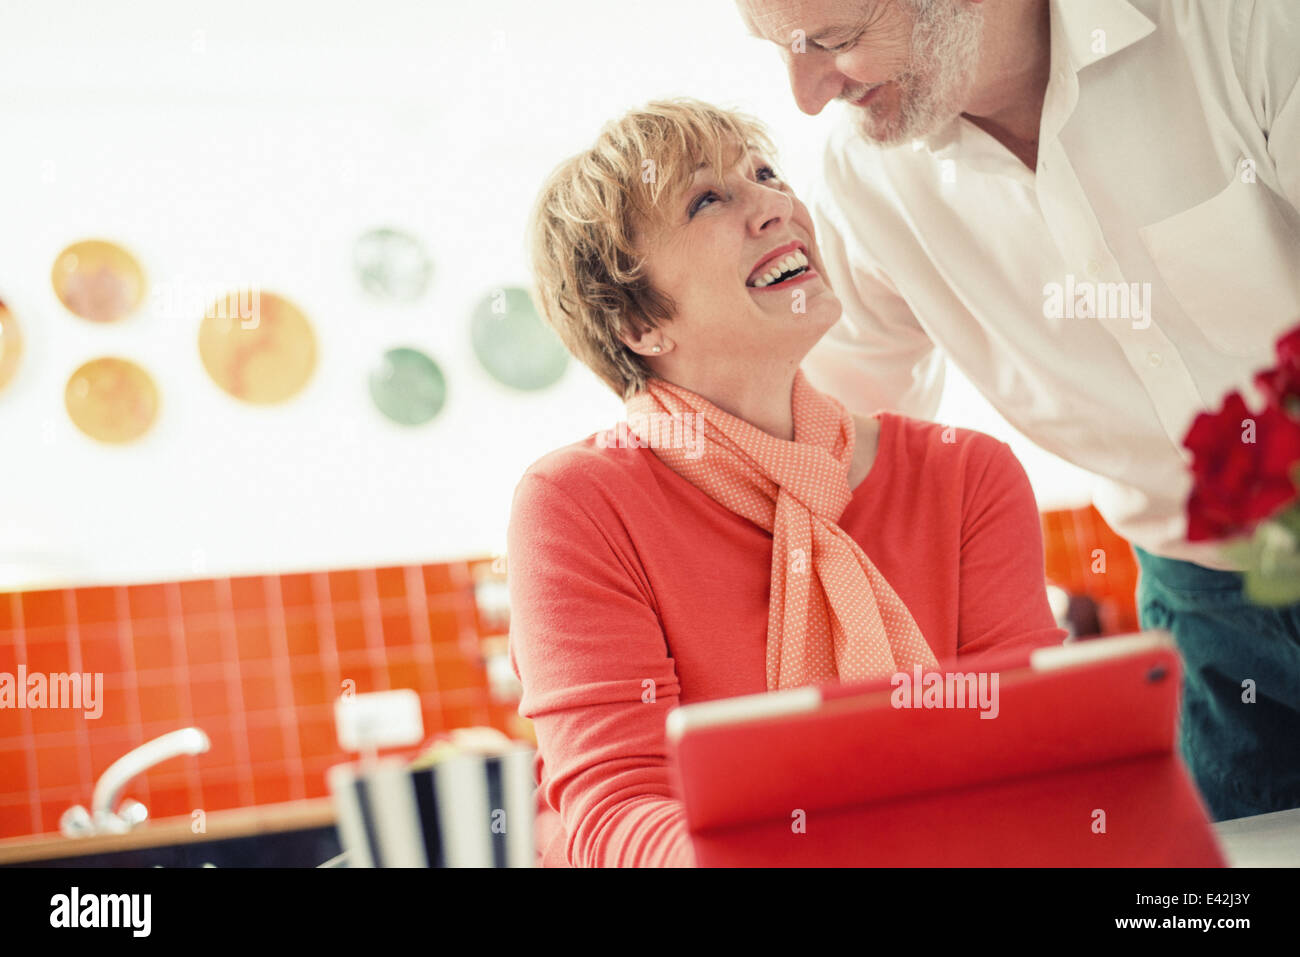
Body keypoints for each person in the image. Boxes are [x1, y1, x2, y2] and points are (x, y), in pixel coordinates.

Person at [736, 0, 1300, 821]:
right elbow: (822, 441)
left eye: (836, 42)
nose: (808, 93)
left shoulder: (1242, 24)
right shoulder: (864, 184)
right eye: (781, 50)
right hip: (1208, 615)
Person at [509, 97, 1065, 867]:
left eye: (766, 174)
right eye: (709, 198)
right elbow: (615, 809)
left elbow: (1035, 752)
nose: (775, 204)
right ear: (639, 324)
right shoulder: (577, 504)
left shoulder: (965, 475)